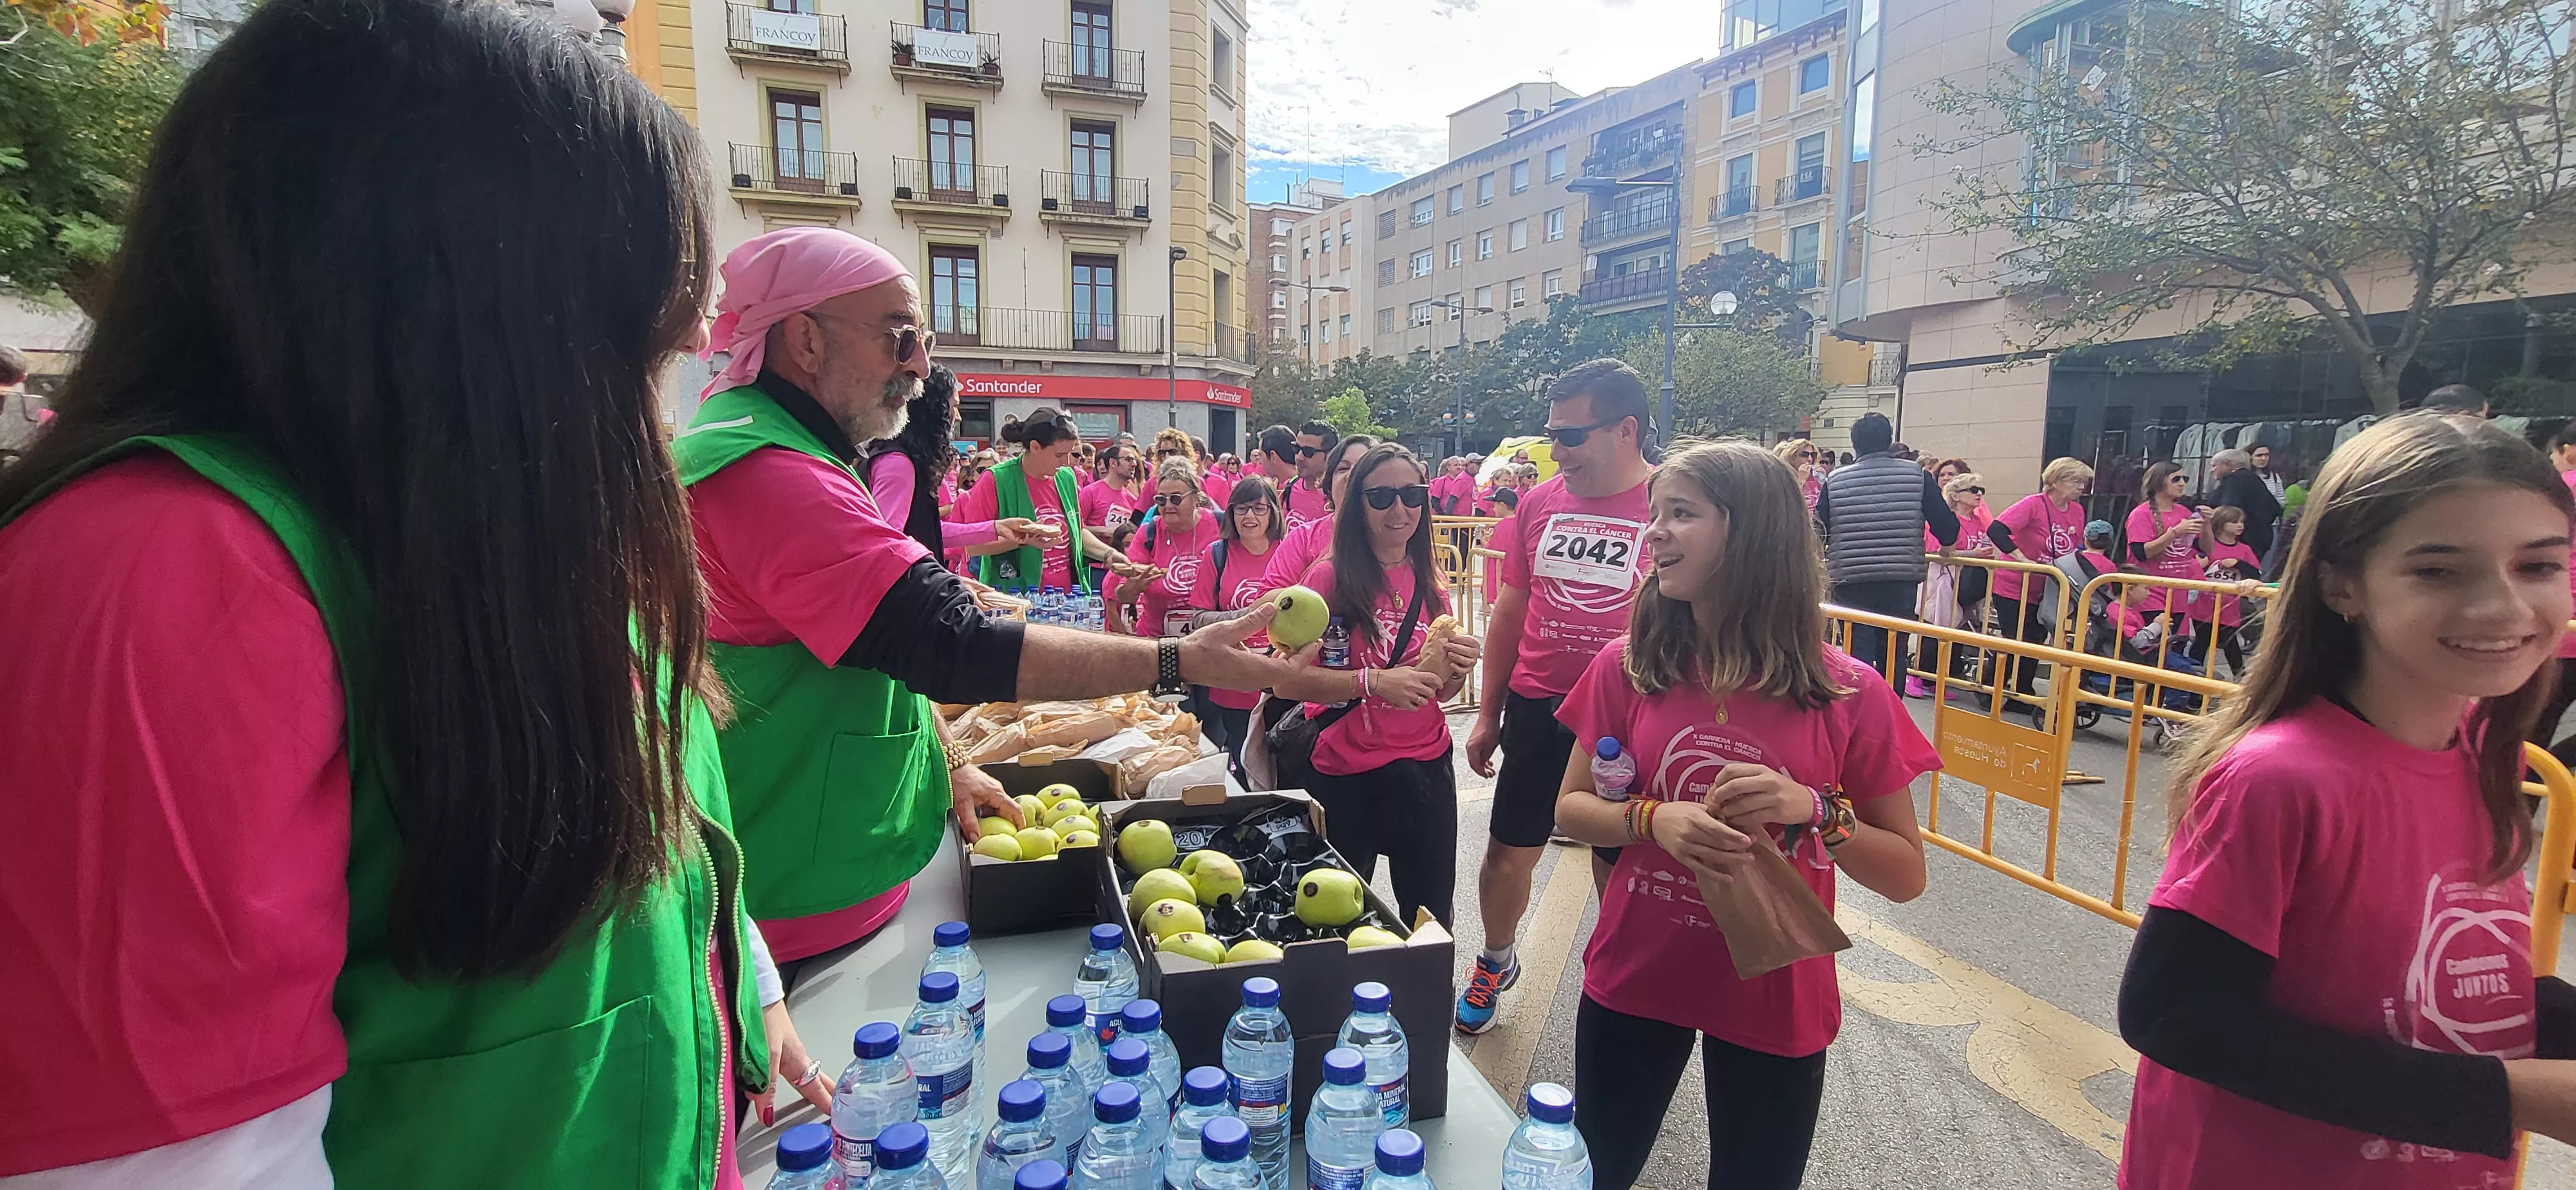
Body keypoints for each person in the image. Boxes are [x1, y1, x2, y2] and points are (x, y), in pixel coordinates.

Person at [0, 0, 832, 1182]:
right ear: (484, 308)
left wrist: (741, 994)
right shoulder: (156, 576)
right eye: (641, 335)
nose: (674, 374)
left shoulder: (519, 526)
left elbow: (668, 827)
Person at [677, 229, 1301, 970]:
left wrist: (943, 765)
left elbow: (878, 652)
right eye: (900, 337)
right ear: (804, 341)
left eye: (924, 339)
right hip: (792, 912)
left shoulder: (775, 449)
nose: (921, 365)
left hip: (816, 878)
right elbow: (953, 643)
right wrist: (1178, 659)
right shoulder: (771, 475)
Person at [2116, 413, 2576, 1188]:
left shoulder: (2477, 751)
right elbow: (2176, 1014)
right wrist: (2506, 1095)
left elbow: (2432, 979)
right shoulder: (2279, 777)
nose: (2503, 607)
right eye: (2438, 571)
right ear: (2339, 583)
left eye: (2536, 567)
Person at [1553, 440, 1935, 1190]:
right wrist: (1650, 820)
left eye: (1682, 514)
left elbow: (1906, 876)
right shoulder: (1627, 664)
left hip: (1775, 994)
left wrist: (1818, 809)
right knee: (1593, 1173)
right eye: (1654, 514)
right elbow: (1571, 807)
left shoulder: (1848, 692)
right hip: (1635, 976)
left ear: (1753, 531)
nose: (1653, 531)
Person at [1457, 358, 1657, 1035]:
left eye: (1571, 437)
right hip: (1541, 705)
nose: (1556, 452)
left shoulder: (1672, 503)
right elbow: (1511, 612)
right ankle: (1495, 958)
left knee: (1619, 860)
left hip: (1631, 716)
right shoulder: (1540, 503)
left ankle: (1619, 981)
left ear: (1625, 430)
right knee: (1507, 852)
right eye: (1552, 437)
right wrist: (1487, 714)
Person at [1298, 443, 1482, 927]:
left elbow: (1434, 690)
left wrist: (1456, 669)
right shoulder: (1327, 578)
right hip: (1345, 771)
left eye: (1412, 494)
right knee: (1334, 920)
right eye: (1381, 496)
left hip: (1424, 767)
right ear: (1357, 503)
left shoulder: (1432, 578)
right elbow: (1287, 683)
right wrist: (1374, 682)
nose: (1399, 509)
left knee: (1430, 919)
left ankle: (1426, 1003)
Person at [1813, 411, 1962, 690]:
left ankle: (1859, 711)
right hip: (1900, 579)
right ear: (1889, 440)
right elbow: (1947, 528)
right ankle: (1893, 715)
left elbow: (1818, 532)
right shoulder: (1918, 476)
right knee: (1894, 650)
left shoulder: (1835, 481)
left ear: (1854, 444)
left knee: (1857, 654)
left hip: (1850, 578)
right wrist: (1945, 547)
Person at [866, 366, 1050, 562]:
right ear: (934, 410)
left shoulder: (907, 461)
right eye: (954, 406)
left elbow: (930, 532)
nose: (959, 416)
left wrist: (996, 528)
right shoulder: (898, 465)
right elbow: (886, 547)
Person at [959, 406, 1133, 594]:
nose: (1067, 462)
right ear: (1035, 447)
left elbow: (1077, 532)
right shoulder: (996, 479)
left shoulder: (1066, 477)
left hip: (1067, 600)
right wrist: (1024, 540)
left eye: (1070, 454)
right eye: (1059, 455)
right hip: (1015, 597)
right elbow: (973, 546)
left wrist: (1108, 554)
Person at [1978, 457, 2096, 710]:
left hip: (2047, 587)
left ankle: (2021, 692)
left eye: (2083, 482)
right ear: (2055, 482)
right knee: (2014, 638)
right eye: (2075, 481)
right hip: (2013, 584)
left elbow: (2073, 547)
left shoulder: (2077, 511)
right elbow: (1997, 530)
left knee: (2035, 638)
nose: (2081, 487)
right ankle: (1990, 687)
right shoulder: (2033, 504)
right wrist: (2022, 559)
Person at [1186, 475, 1285, 773]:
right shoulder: (1217, 554)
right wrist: (1247, 616)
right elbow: (1199, 619)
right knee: (1244, 761)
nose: (1250, 517)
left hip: (1282, 677)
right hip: (1234, 676)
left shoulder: (1290, 551)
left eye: (1259, 508)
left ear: (1274, 513)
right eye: (1241, 509)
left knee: (1281, 761)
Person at [1911, 471, 1996, 699]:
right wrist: (1973, 553)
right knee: (1935, 627)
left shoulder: (1978, 521)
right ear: (1956, 496)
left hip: (1966, 583)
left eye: (1981, 491)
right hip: (1942, 579)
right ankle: (1919, 677)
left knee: (1957, 628)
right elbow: (1936, 551)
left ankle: (1941, 677)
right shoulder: (1946, 520)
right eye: (1973, 490)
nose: (1979, 495)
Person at [1260, 434, 1378, 596]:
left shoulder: (1399, 540)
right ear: (1329, 482)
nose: (1352, 475)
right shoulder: (1303, 538)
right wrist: (1317, 584)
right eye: (1343, 468)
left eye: (1363, 469)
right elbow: (1261, 605)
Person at [1119, 457, 1222, 640]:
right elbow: (1122, 595)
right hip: (1157, 642)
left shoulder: (1221, 526)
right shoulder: (1148, 534)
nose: (1168, 506)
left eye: (1175, 499)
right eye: (1161, 500)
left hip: (1211, 642)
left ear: (1196, 498)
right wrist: (1134, 587)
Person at [2181, 506, 2263, 679]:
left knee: (2230, 643)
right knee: (2201, 644)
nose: (2240, 525)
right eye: (2234, 521)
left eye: (2242, 522)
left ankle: (2241, 682)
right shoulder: (2207, 545)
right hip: (2203, 606)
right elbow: (2194, 566)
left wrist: (2238, 563)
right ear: (2222, 522)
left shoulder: (2244, 550)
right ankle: (2191, 684)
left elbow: (2256, 573)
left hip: (2229, 607)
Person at [2127, 460, 2207, 609]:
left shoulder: (2184, 511)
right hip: (2151, 592)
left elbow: (2205, 549)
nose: (2182, 483)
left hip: (2180, 591)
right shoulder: (2141, 514)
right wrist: (2175, 532)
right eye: (2176, 479)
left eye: (2185, 479)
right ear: (2159, 483)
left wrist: (2208, 523)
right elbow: (2141, 553)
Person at [2199, 448, 2282, 562]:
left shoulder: (2233, 480)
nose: (2212, 470)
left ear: (2227, 465)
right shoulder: (2253, 478)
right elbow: (2275, 508)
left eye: (2214, 466)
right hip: (2262, 538)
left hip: (2240, 542)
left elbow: (2229, 512)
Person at [1081, 441, 1153, 540]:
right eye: (1128, 460)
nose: (1134, 464)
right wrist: (1104, 531)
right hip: (1094, 554)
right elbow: (1076, 529)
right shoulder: (1090, 492)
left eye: (1134, 460)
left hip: (1121, 554)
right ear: (1113, 463)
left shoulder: (1132, 499)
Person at [1283, 420, 1338, 529]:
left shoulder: (1337, 495)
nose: (1299, 457)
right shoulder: (1289, 487)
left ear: (1330, 455)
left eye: (1308, 452)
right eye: (1296, 448)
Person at [1774, 438, 1823, 511]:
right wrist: (1800, 481)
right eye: (1805, 455)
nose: (1810, 459)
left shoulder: (1816, 477)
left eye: (1813, 455)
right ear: (1793, 457)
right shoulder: (1782, 476)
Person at [1255, 422, 1300, 490]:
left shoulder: (1293, 490)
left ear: (1273, 456)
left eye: (1261, 456)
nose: (1259, 462)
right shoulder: (1303, 485)